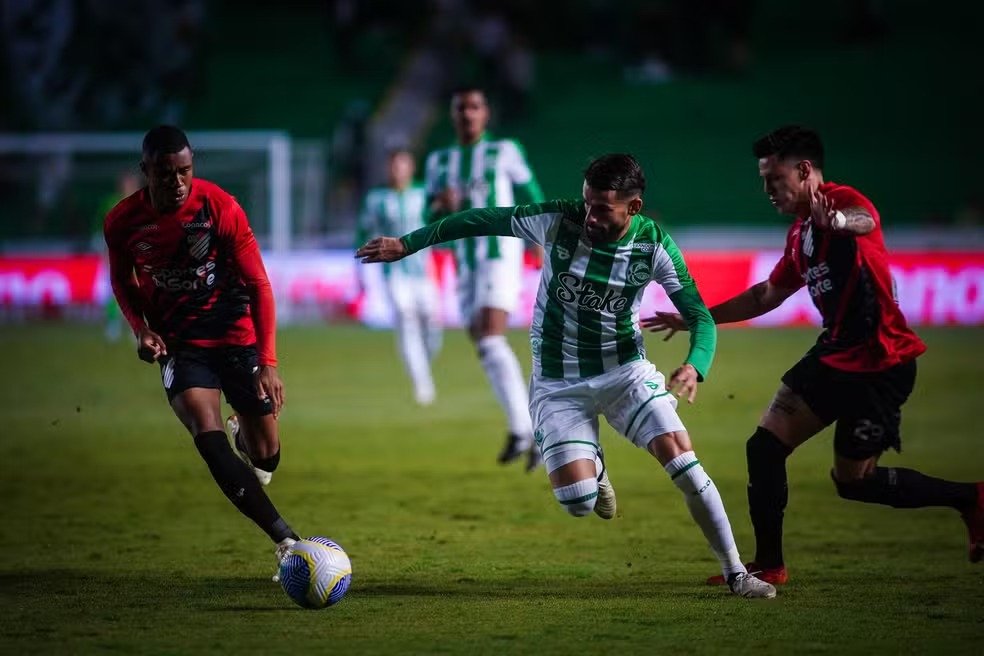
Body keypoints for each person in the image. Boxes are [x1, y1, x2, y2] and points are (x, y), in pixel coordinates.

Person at [358, 153, 777, 598]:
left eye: (602, 208)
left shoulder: (653, 246)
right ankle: (594, 471)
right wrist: (410, 243)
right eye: (587, 203)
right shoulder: (558, 220)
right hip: (558, 385)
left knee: (684, 463)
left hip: (625, 375)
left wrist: (696, 365)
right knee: (578, 502)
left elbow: (700, 316)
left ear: (633, 208)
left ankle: (737, 573)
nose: (590, 215)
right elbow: (478, 219)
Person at [643, 125, 984, 585]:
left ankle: (971, 498)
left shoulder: (841, 202)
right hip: (834, 354)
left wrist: (838, 223)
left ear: (805, 170)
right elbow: (767, 294)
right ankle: (769, 565)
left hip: (880, 361)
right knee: (764, 447)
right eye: (763, 180)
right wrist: (695, 317)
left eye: (774, 179)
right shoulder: (800, 234)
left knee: (854, 483)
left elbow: (863, 220)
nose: (767, 190)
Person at [104, 125, 301, 578]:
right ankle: (285, 539)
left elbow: (258, 284)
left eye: (184, 172)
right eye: (165, 173)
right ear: (145, 172)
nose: (176, 182)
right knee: (204, 433)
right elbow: (123, 281)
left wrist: (268, 363)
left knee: (267, 455)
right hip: (182, 344)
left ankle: (244, 435)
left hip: (234, 335)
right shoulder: (122, 222)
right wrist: (141, 328)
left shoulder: (219, 206)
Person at [424, 86, 546, 472]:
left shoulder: (504, 151)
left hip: (499, 254)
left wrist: (539, 238)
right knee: (483, 342)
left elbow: (531, 191)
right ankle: (524, 430)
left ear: (486, 113)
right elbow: (430, 219)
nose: (467, 114)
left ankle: (529, 430)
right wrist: (438, 208)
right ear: (452, 114)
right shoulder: (439, 162)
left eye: (474, 106)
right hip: (464, 261)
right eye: (461, 107)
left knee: (491, 336)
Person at [356, 148, 441, 405]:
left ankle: (422, 364)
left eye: (402, 165)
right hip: (393, 272)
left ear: (411, 168)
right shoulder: (377, 199)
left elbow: (438, 222)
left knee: (432, 324)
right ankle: (422, 383)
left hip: (423, 270)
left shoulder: (423, 194)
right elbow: (363, 231)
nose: (397, 170)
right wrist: (360, 266)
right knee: (405, 318)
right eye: (394, 166)